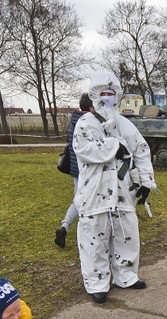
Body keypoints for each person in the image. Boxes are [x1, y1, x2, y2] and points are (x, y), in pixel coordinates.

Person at [72, 80, 157, 304]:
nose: (106, 97)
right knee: (94, 237)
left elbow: (141, 150)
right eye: (102, 93)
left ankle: (126, 275)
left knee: (126, 233)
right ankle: (97, 282)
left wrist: (146, 182)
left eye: (110, 93)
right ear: (94, 96)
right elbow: (84, 150)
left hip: (122, 191)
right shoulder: (85, 123)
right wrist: (113, 146)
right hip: (95, 191)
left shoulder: (125, 124)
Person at [55, 93, 94, 248]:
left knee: (77, 199)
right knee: (86, 201)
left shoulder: (73, 121)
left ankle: (64, 226)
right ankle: (80, 231)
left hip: (75, 169)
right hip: (87, 169)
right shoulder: (88, 123)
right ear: (91, 107)